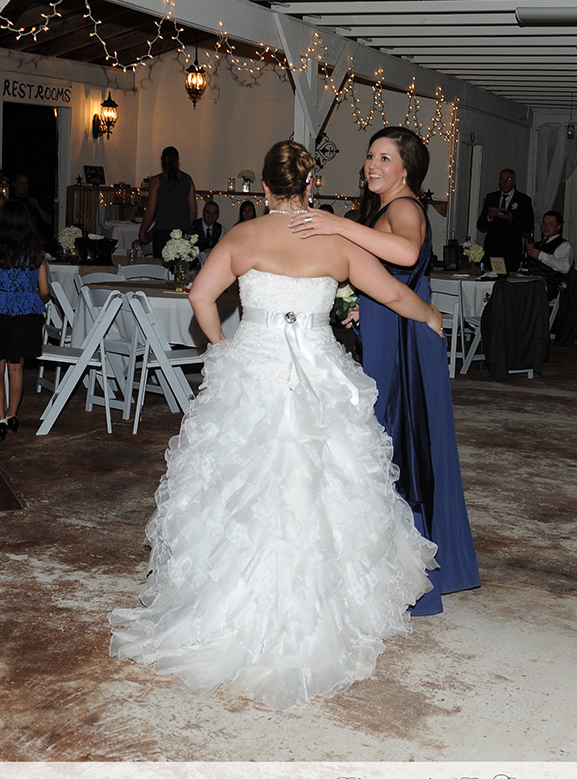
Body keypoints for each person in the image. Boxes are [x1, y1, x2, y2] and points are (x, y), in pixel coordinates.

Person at [109, 140, 444, 710]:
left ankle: (227, 602)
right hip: (319, 371)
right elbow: (392, 292)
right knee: (326, 483)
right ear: (311, 187)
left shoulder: (241, 237)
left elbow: (201, 296)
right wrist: (431, 315)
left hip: (254, 370)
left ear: (264, 188)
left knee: (239, 487)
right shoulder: (336, 241)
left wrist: (223, 348)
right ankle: (325, 609)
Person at [289, 126, 480, 616]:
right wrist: (363, 307)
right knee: (391, 442)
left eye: (384, 158)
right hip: (392, 331)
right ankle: (400, 566)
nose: (372, 165)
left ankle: (410, 574)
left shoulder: (405, 207)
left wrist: (337, 225)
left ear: (406, 169)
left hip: (406, 343)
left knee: (402, 444)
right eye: (370, 156)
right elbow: (392, 276)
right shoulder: (387, 208)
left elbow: (407, 254)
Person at [0, 201, 49, 440]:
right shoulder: (37, 254)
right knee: (16, 368)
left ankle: (0, 419)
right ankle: (12, 415)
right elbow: (45, 291)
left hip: (1, 314)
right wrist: (28, 297)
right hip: (26, 316)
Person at [139, 147, 197, 259]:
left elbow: (150, 212)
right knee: (181, 264)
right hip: (182, 231)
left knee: (161, 265)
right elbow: (193, 211)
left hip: (162, 232)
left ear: (162, 161)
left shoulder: (156, 181)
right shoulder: (187, 179)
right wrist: (186, 225)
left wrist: (142, 231)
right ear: (177, 160)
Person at [476, 168, 534, 273]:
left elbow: (529, 226)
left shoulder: (523, 200)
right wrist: (490, 216)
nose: (504, 182)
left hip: (511, 249)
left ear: (514, 182)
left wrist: (512, 219)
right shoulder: (491, 197)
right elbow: (481, 225)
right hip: (492, 248)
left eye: (508, 179)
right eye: (501, 179)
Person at [525, 210, 574, 297]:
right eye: (544, 223)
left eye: (550, 224)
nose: (545, 226)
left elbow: (565, 267)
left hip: (549, 289)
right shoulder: (537, 244)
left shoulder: (565, 245)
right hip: (530, 285)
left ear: (558, 226)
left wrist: (540, 255)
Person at [10, 172, 53, 238]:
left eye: (26, 183)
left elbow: (49, 221)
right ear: (14, 184)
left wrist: (38, 207)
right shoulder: (10, 201)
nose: (24, 186)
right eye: (21, 183)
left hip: (35, 238)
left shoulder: (34, 199)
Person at [192, 200, 225, 265]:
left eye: (214, 213)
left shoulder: (221, 229)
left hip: (213, 263)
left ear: (218, 215)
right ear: (203, 212)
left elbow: (221, 250)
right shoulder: (193, 226)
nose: (211, 216)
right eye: (208, 212)